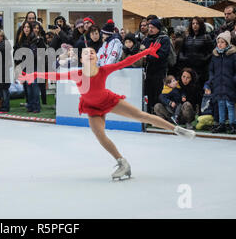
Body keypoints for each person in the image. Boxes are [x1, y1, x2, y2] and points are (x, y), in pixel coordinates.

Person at [19, 42, 196, 180]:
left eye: (92, 53)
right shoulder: (76, 74)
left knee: (141, 115)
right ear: (81, 60)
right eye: (86, 53)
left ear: (97, 58)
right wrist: (32, 75)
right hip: (92, 108)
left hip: (109, 101)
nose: (89, 55)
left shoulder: (103, 70)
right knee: (101, 136)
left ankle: (177, 129)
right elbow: (55, 76)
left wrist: (145, 52)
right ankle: (122, 162)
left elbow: (126, 61)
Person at [206, 31, 236, 134]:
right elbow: (211, 70)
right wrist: (211, 81)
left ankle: (233, 124)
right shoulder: (215, 55)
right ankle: (221, 123)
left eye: (222, 42)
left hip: (229, 85)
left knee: (230, 104)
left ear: (227, 43)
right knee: (220, 104)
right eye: (218, 42)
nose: (219, 44)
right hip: (218, 84)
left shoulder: (233, 55)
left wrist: (233, 80)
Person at [178, 17, 214, 96]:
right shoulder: (187, 37)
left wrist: (203, 59)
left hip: (201, 69)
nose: (195, 25)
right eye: (193, 23)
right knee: (188, 88)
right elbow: (181, 51)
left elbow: (211, 52)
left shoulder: (206, 37)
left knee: (199, 89)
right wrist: (183, 58)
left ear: (201, 25)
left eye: (197, 23)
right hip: (188, 67)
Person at [142, 19, 171, 113]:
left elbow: (163, 54)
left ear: (158, 28)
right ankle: (149, 111)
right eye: (149, 27)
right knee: (148, 92)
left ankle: (158, 112)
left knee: (158, 93)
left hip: (159, 71)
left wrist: (148, 58)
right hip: (148, 70)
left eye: (152, 27)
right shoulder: (146, 39)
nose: (150, 29)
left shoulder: (164, 39)